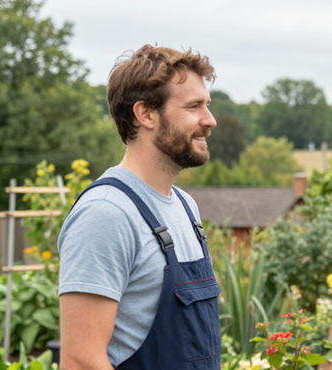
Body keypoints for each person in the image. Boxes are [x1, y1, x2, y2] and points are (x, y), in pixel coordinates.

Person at [58, 45, 221, 370]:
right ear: (145, 113)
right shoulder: (106, 214)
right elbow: (80, 361)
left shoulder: (185, 207)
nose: (210, 120)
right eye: (194, 106)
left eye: (207, 105)